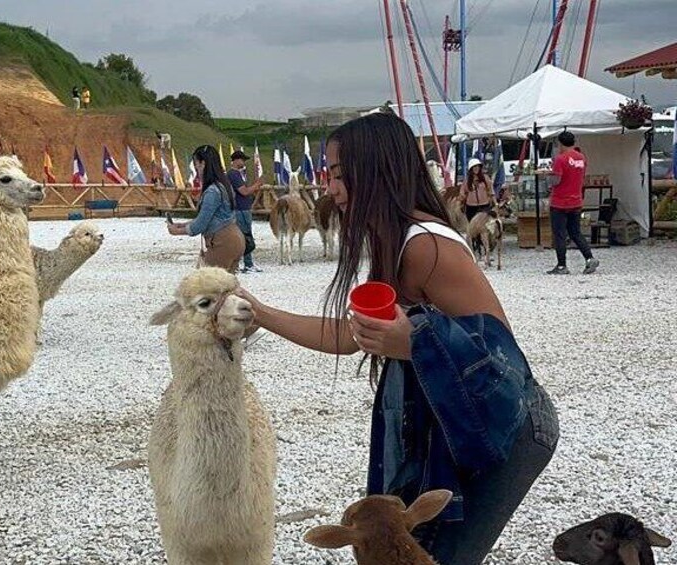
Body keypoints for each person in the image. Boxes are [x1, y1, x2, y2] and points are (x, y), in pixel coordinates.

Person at [236, 113, 559, 565]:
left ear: (377, 173)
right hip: (466, 423)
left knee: (433, 556)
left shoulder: (425, 246)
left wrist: (417, 345)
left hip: (511, 427)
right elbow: (352, 336)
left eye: (338, 176)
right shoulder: (397, 240)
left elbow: (501, 353)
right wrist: (262, 313)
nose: (330, 189)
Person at [166, 145, 244, 273]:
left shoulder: (212, 191)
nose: (196, 168)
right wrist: (182, 224)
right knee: (227, 288)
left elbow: (201, 225)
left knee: (208, 288)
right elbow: (209, 218)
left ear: (203, 163)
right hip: (235, 239)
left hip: (222, 242)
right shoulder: (224, 185)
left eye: (196, 164)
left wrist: (176, 232)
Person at [536, 131, 599, 275]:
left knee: (559, 234)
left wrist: (547, 175)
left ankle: (561, 265)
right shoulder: (581, 158)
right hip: (576, 200)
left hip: (560, 202)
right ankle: (589, 258)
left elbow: (556, 181)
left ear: (560, 143)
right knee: (575, 232)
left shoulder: (560, 159)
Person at [227, 149, 265, 273]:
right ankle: (247, 264)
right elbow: (244, 191)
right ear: (236, 160)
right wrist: (257, 185)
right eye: (242, 160)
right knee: (246, 236)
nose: (244, 162)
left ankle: (237, 264)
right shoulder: (234, 174)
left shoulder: (234, 174)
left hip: (240, 208)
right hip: (241, 209)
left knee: (241, 237)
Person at [459, 158, 495, 222]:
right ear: (471, 169)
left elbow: (491, 191)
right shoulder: (466, 181)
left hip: (484, 206)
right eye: (474, 166)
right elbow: (462, 194)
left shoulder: (485, 178)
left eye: (478, 166)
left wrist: (495, 202)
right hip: (471, 207)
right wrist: (461, 203)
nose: (476, 168)